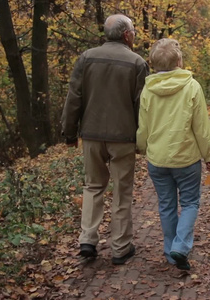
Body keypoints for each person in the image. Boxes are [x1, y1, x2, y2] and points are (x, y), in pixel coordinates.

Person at [61, 14, 149, 265]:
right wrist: (142, 139)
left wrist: (69, 133)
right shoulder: (137, 63)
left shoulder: (86, 58)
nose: (134, 34)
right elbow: (141, 106)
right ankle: (120, 247)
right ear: (125, 35)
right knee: (122, 190)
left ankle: (88, 239)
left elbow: (74, 97)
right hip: (123, 138)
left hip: (91, 135)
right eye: (133, 31)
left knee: (93, 186)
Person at [136, 38, 210, 270]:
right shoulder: (192, 87)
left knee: (166, 205)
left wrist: (142, 148)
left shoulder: (147, 90)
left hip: (158, 160)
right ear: (179, 61)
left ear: (153, 64)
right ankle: (180, 247)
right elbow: (201, 128)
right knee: (190, 202)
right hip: (186, 159)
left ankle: (171, 252)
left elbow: (144, 126)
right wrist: (208, 155)